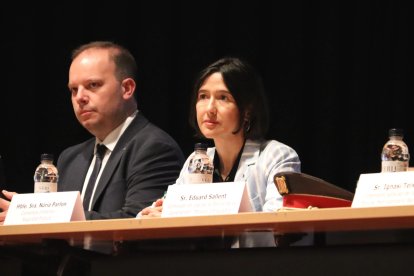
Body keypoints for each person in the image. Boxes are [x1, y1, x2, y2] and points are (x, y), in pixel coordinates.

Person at [0, 41, 185, 221]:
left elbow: (137, 220)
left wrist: (41, 216)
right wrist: (33, 214)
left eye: (93, 85)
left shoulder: (155, 148)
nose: (80, 97)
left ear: (127, 88)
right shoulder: (70, 158)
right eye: (73, 89)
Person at [140, 57, 301, 225]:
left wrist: (187, 216)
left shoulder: (277, 156)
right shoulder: (197, 160)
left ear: (247, 109)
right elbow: (145, 217)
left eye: (223, 98)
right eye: (203, 96)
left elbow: (279, 223)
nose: (209, 109)